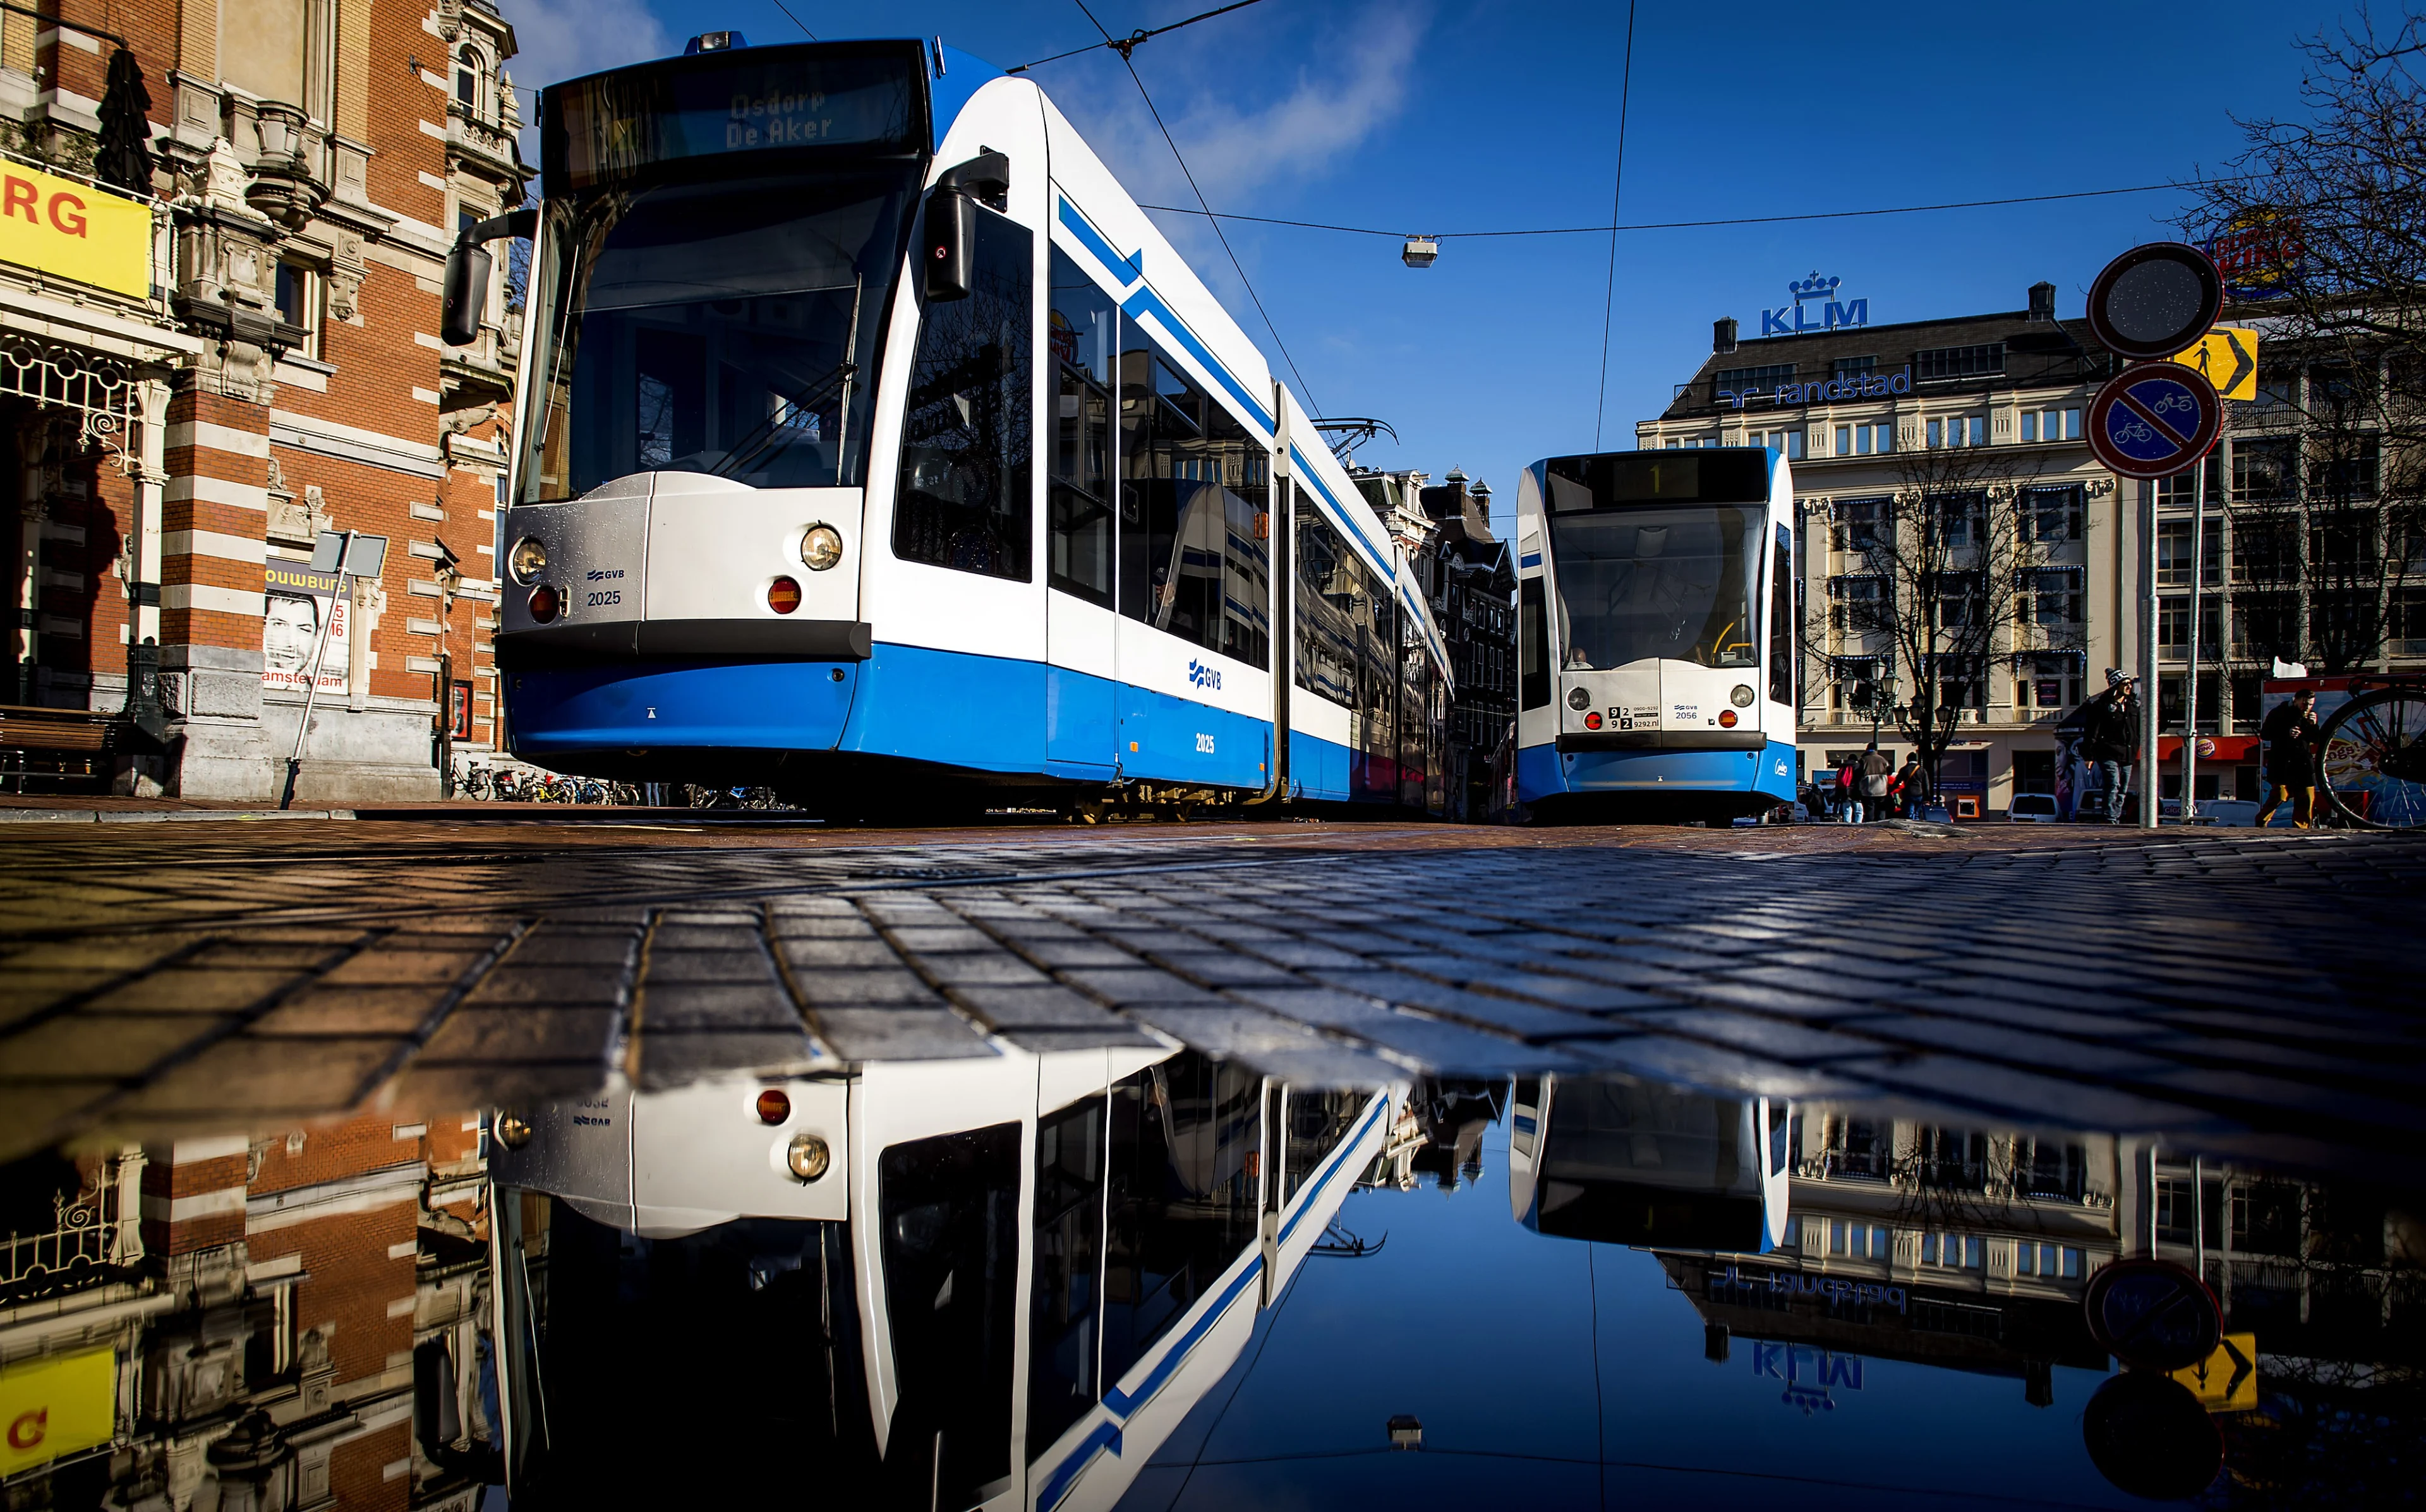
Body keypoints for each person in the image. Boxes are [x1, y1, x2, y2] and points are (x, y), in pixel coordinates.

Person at [2074, 669, 2141, 823]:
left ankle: (2116, 815)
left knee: (2123, 787)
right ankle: (2110, 816)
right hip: (2108, 752)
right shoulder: (2101, 706)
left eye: (2129, 683)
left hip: (2128, 752)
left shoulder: (2133, 705)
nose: (2128, 686)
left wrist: (2137, 745)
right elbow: (2092, 731)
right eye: (2124, 684)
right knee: (2113, 783)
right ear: (2115, 685)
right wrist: (2088, 756)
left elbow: (2138, 729)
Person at [2254, 687, 2324, 829]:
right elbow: (2265, 734)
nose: (2307, 708)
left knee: (2306, 798)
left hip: (2303, 762)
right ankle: (2261, 820)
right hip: (2282, 761)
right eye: (2305, 703)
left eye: (2311, 704)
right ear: (2296, 700)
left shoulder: (2309, 716)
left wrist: (2313, 726)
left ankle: (2302, 829)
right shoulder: (2279, 713)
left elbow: (2316, 740)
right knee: (2279, 795)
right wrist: (2286, 732)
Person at [1856, 741, 1894, 824]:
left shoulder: (1863, 760)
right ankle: (1881, 824)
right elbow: (1890, 771)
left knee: (1870, 808)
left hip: (1868, 788)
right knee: (1881, 808)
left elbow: (1857, 774)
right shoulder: (1882, 759)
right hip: (1882, 789)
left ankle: (1870, 825)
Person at [1894, 754, 1926, 819]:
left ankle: (1910, 825)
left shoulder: (1904, 769)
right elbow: (1926, 784)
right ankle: (1917, 825)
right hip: (1919, 794)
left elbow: (1897, 782)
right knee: (1917, 813)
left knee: (1910, 812)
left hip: (1909, 793)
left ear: (1907, 759)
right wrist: (1927, 796)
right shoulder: (1922, 770)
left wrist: (1890, 790)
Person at [1835, 755, 1859, 824]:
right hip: (1855, 791)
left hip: (1844, 791)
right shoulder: (1858, 766)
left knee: (1847, 810)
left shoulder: (1843, 767)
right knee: (1858, 810)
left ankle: (1847, 823)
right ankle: (1859, 824)